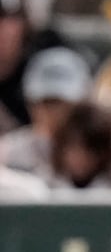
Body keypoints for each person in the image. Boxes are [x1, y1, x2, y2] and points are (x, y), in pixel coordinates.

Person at [0, 46, 91, 178]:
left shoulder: (98, 154)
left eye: (60, 102)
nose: (53, 112)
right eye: (45, 102)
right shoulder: (9, 151)